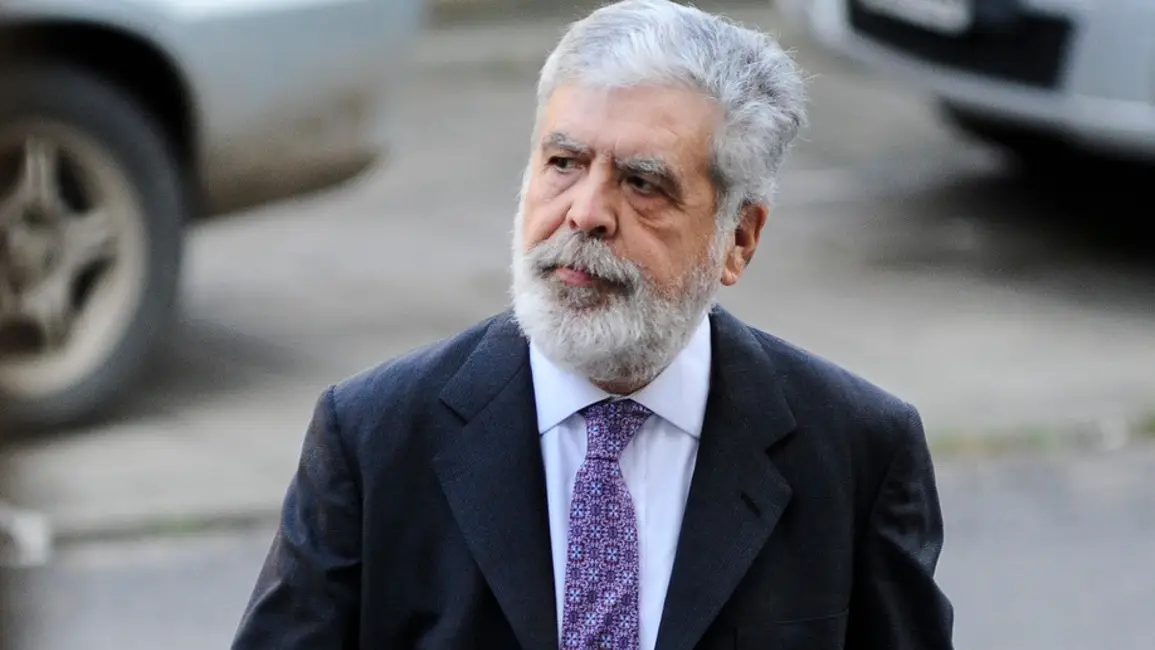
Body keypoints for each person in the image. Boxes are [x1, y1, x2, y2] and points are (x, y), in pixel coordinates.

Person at [231, 1, 955, 649]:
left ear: (738, 239)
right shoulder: (374, 438)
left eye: (642, 183)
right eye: (564, 163)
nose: (585, 213)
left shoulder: (855, 453)